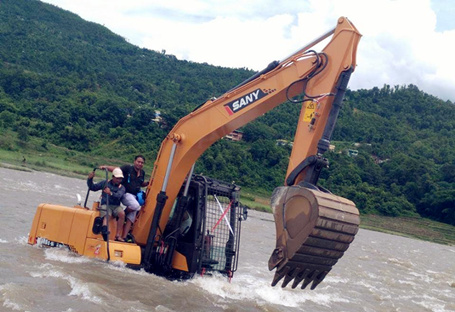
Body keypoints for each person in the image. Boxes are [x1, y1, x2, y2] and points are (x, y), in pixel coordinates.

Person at [99, 155, 149, 241]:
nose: (140, 164)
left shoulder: (142, 173)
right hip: (125, 194)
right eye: (138, 162)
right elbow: (116, 170)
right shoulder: (128, 168)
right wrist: (105, 167)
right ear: (134, 162)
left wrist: (148, 183)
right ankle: (123, 214)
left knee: (132, 216)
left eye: (142, 163)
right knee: (136, 206)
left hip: (135, 196)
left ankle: (124, 236)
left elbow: (140, 183)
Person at [87, 167, 126, 242]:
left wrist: (110, 193)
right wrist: (90, 179)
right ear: (113, 177)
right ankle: (104, 228)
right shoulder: (105, 183)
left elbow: (119, 195)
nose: (119, 180)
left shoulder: (122, 188)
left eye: (120, 179)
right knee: (107, 213)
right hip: (106, 204)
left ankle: (118, 235)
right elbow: (92, 187)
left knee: (122, 214)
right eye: (117, 178)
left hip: (116, 206)